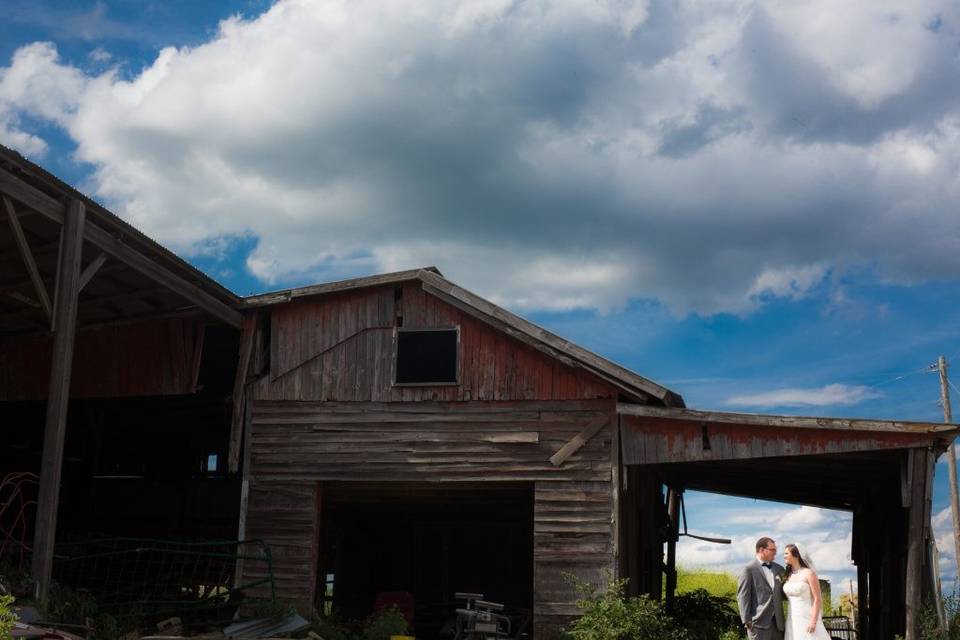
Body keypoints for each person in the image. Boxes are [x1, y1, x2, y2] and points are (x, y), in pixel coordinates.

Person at [737, 537, 786, 640]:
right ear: (762, 550)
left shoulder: (780, 569)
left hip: (778, 624)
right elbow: (743, 595)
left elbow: (784, 592)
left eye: (776, 550)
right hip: (758, 623)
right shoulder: (748, 569)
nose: (775, 553)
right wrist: (747, 620)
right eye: (773, 550)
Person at [782, 543, 831, 639]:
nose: (784, 556)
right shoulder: (788, 575)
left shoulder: (809, 573)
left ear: (796, 555)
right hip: (792, 618)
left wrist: (813, 621)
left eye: (786, 553)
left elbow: (817, 599)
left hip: (807, 616)